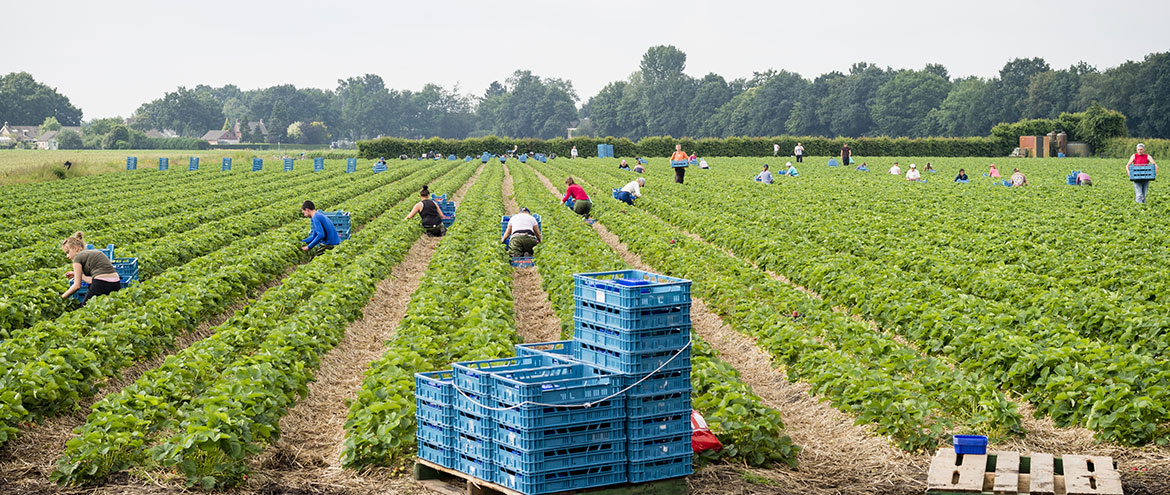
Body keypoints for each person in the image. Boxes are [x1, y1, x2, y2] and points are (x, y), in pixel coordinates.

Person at [60, 231, 122, 304]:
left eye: (68, 252)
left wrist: (62, 297)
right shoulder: (93, 252)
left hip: (101, 284)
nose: (67, 256)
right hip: (116, 283)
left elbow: (77, 286)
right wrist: (78, 275)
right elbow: (95, 280)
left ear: (75, 248)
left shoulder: (77, 258)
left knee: (86, 309)